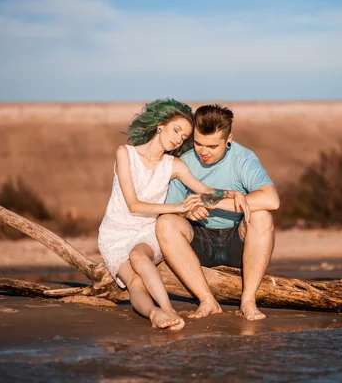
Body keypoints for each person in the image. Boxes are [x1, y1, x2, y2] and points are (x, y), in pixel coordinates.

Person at [98, 99, 249, 331]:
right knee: (134, 282)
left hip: (148, 231)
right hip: (116, 233)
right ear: (160, 125)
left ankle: (167, 309)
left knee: (139, 257)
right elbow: (134, 205)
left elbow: (205, 191)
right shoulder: (125, 154)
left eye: (183, 136)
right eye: (176, 130)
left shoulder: (174, 165)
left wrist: (233, 193)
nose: (178, 138)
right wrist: (181, 208)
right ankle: (153, 313)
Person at [156, 104, 280, 321]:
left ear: (228, 138)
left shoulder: (243, 159)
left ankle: (248, 300)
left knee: (263, 215)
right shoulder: (184, 162)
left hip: (237, 242)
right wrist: (186, 212)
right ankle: (207, 300)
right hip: (200, 241)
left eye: (212, 146)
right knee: (165, 223)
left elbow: (271, 199)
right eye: (198, 143)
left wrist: (212, 201)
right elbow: (170, 210)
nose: (203, 152)